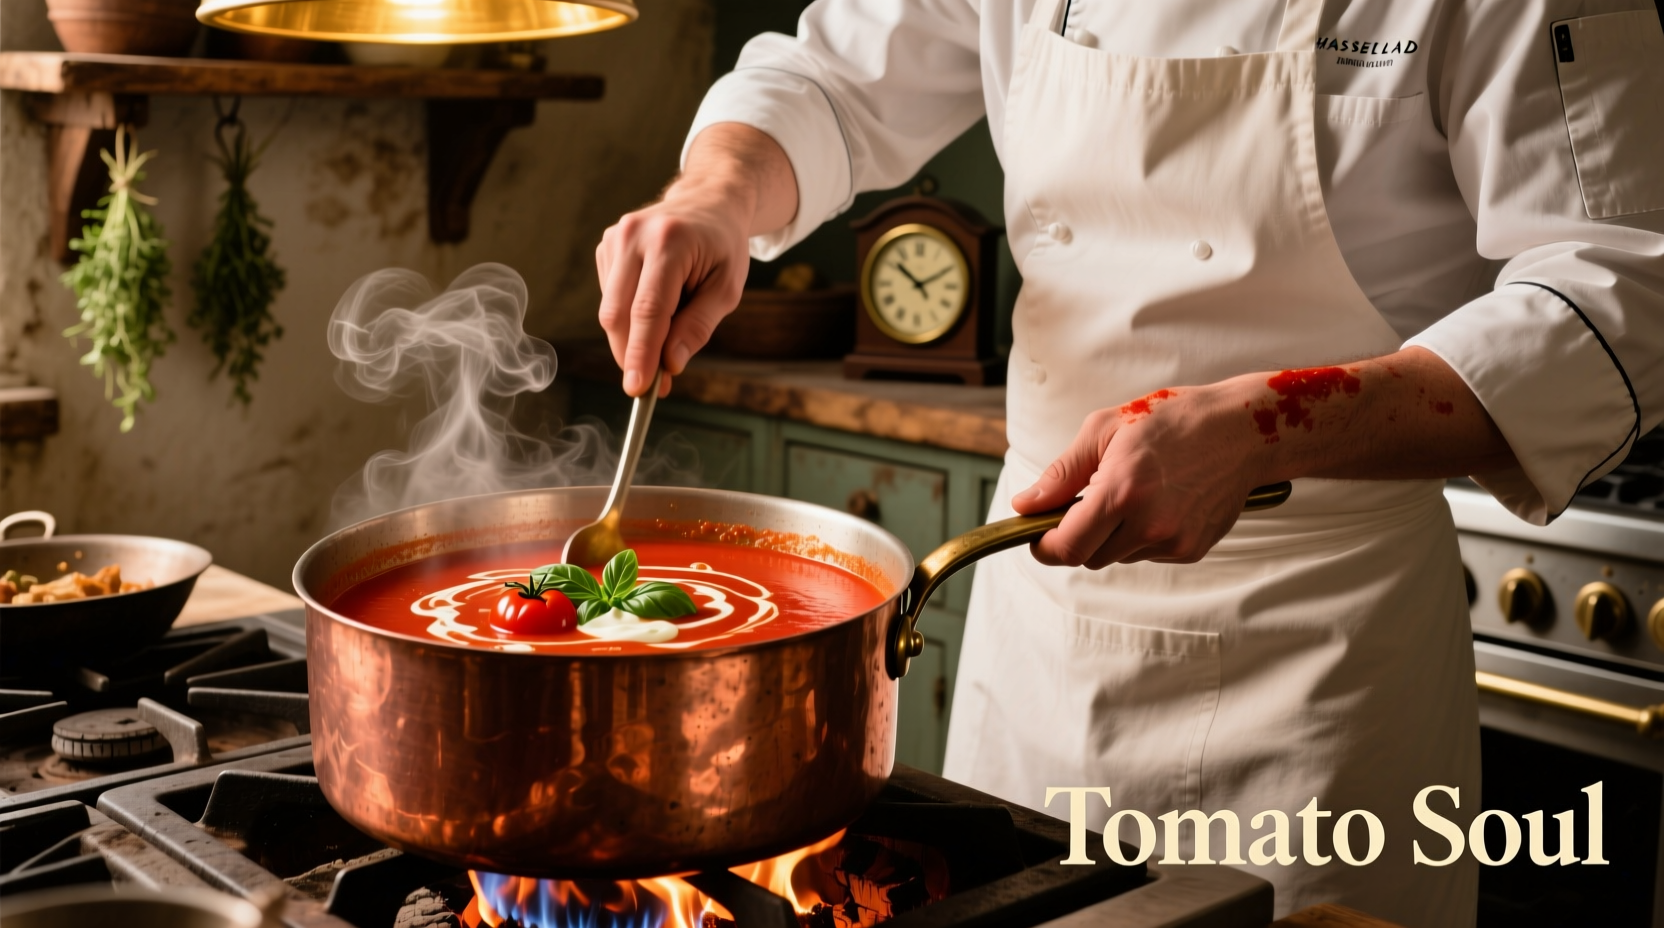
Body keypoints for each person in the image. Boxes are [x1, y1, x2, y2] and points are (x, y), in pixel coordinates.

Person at [592, 0, 1664, 922]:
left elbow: (1620, 295)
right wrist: (715, 195)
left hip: (1323, 654)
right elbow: (834, 80)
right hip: (1039, 633)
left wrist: (1262, 426)